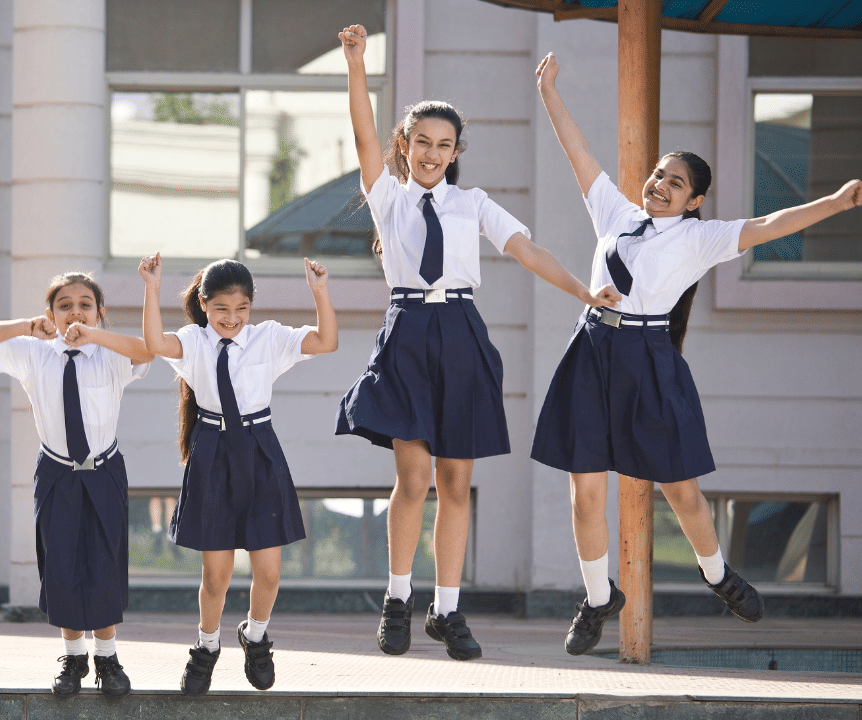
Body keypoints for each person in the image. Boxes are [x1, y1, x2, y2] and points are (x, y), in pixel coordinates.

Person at [531, 52, 862, 655]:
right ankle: (599, 596)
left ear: (694, 201)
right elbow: (578, 154)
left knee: (679, 489)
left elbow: (770, 223)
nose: (659, 184)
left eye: (675, 182)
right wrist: (550, 89)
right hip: (592, 349)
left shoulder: (701, 238)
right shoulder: (615, 214)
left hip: (650, 358)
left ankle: (718, 576)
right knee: (583, 490)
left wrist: (836, 202)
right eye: (658, 174)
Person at [333, 26, 621, 661]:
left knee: (456, 482)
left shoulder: (474, 204)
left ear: (457, 149)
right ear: (403, 146)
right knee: (413, 479)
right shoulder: (387, 198)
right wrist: (358, 65)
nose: (433, 154)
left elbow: (527, 251)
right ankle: (397, 598)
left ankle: (448, 611)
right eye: (421, 143)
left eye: (445, 144)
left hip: (462, 334)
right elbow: (361, 130)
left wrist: (582, 290)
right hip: (408, 334)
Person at [140, 253, 337, 694]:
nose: (232, 318)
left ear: (252, 306)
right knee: (216, 576)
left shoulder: (268, 338)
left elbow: (326, 342)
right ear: (205, 305)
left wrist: (319, 290)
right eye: (222, 309)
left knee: (268, 573)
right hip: (212, 453)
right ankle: (207, 647)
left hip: (259, 449)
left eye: (241, 309)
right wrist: (152, 288)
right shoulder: (193, 342)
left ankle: (255, 636)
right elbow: (155, 343)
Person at [0, 272, 153, 697]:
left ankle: (107, 658)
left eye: (86, 304)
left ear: (100, 313)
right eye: (65, 304)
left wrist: (95, 336)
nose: (75, 311)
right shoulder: (36, 353)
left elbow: (148, 350)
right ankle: (73, 658)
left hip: (104, 471)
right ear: (50, 313)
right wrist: (25, 327)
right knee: (62, 567)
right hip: (57, 472)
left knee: (104, 565)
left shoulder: (110, 354)